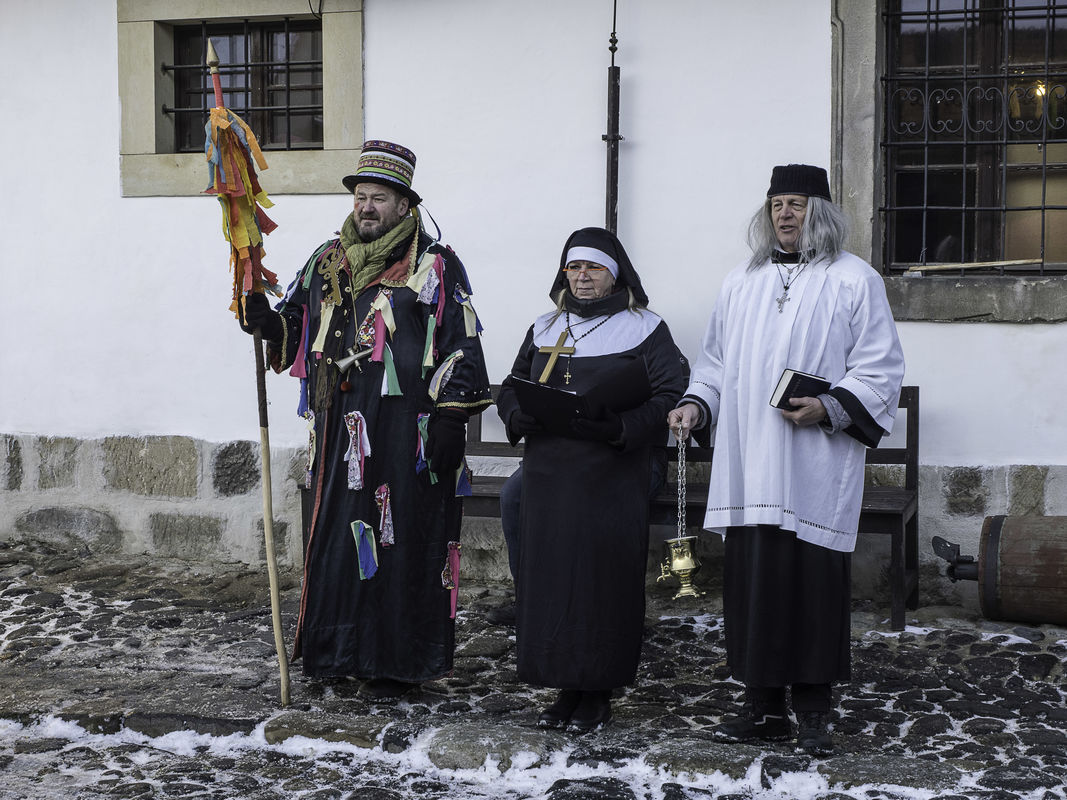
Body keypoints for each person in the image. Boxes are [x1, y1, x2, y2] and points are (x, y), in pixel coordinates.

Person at [238, 140, 492, 699]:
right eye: (361, 196)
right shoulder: (328, 261)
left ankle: (397, 665)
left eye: (380, 197)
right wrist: (265, 321)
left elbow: (461, 341)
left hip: (409, 435)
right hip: (340, 432)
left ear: (405, 205)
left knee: (403, 543)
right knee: (336, 540)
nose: (367, 207)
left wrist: (452, 417)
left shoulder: (435, 265)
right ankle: (336, 655)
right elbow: (296, 330)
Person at [667, 164, 904, 756]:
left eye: (796, 204)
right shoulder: (740, 282)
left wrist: (828, 406)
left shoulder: (856, 280)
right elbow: (715, 362)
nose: (785, 215)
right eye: (776, 204)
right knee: (755, 585)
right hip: (750, 466)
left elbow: (879, 367)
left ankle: (816, 708)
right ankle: (763, 706)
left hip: (813, 466)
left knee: (813, 586)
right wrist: (697, 404)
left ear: (819, 212)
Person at [496, 227, 686, 732]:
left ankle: (597, 689)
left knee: (597, 575)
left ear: (615, 274)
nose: (582, 277)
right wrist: (519, 416)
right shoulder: (545, 326)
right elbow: (511, 386)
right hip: (552, 463)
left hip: (613, 467)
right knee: (552, 572)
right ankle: (563, 685)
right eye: (574, 268)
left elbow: (671, 394)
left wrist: (621, 427)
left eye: (593, 268)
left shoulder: (645, 328)